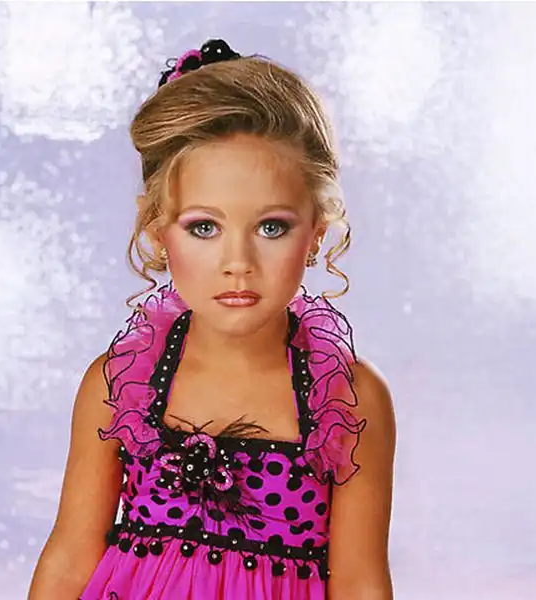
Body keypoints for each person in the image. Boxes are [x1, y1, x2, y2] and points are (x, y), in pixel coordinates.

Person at [28, 38, 396, 600]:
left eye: (271, 227)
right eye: (204, 227)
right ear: (157, 229)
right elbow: (70, 557)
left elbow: (360, 581)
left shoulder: (347, 400)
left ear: (316, 230)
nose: (238, 262)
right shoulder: (120, 383)